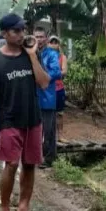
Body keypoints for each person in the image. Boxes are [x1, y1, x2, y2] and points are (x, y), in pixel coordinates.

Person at [0, 14, 50, 211]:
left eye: (23, 30)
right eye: (16, 31)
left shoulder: (30, 54)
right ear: (4, 34)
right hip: (9, 120)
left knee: (30, 164)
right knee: (11, 164)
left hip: (32, 119)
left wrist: (32, 56)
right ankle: (4, 209)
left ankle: (24, 209)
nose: (21, 34)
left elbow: (44, 83)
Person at [34, 27, 62, 168]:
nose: (38, 39)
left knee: (48, 130)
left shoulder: (51, 54)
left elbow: (57, 72)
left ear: (46, 38)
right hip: (33, 98)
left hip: (47, 97)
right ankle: (37, 155)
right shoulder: (30, 53)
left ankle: (49, 158)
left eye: (41, 37)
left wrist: (42, 77)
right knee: (35, 129)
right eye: (36, 36)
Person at [49, 36, 68, 141]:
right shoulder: (44, 56)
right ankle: (49, 136)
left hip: (59, 89)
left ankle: (60, 136)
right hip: (47, 90)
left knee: (59, 113)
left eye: (56, 42)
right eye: (51, 42)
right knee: (47, 113)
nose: (53, 44)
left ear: (58, 45)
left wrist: (50, 75)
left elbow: (64, 71)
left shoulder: (62, 57)